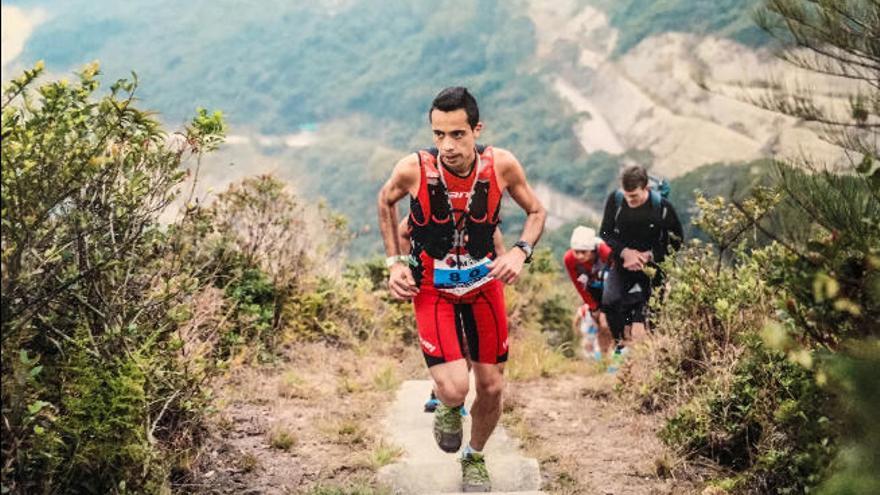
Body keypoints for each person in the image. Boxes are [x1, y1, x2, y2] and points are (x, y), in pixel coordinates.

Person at [377, 87, 546, 493]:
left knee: (491, 386)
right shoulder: (413, 169)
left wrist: (521, 252)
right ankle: (449, 406)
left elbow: (536, 210)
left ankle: (475, 457)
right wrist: (394, 264)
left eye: (457, 134)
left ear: (476, 129)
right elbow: (386, 201)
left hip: (484, 285)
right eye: (439, 135)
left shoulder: (501, 165)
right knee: (454, 387)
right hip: (432, 288)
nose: (447, 145)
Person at [396, 219, 506, 413]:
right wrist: (410, 268)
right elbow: (403, 233)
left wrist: (502, 272)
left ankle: (455, 399)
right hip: (439, 293)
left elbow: (498, 248)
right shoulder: (432, 210)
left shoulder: (482, 214)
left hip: (475, 291)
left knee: (468, 344)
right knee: (451, 344)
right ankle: (442, 393)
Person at [598, 165, 683, 355]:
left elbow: (677, 240)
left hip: (653, 267)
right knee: (610, 301)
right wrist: (625, 252)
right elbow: (605, 232)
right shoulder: (617, 200)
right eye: (627, 196)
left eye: (634, 196)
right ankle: (620, 346)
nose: (630, 200)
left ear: (646, 188)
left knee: (652, 313)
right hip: (622, 263)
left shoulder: (662, 207)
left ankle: (653, 356)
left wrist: (650, 255)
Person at [562, 226, 613, 359]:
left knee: (610, 323)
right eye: (576, 252)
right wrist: (593, 306)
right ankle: (604, 359)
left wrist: (608, 307)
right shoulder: (569, 259)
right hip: (593, 290)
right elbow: (578, 285)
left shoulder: (605, 252)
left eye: (583, 252)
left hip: (612, 288)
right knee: (601, 326)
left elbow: (619, 276)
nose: (579, 256)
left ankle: (620, 356)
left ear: (592, 250)